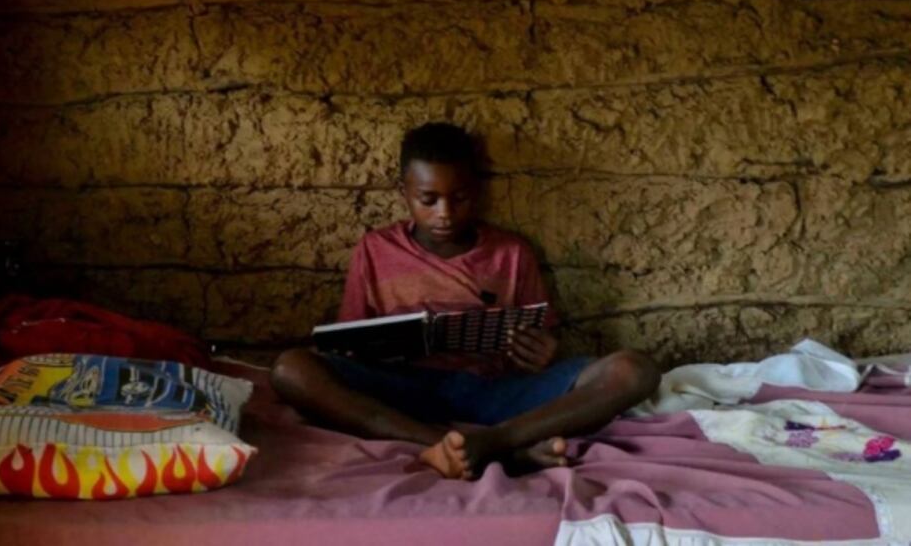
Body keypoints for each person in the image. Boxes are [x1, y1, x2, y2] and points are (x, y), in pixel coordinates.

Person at [270, 122, 660, 479]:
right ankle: (464, 448)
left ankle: (493, 442)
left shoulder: (510, 253)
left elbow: (541, 345)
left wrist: (541, 352)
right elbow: (349, 343)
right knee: (291, 369)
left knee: (634, 370)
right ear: (403, 192)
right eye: (428, 199)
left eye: (459, 198)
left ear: (478, 191)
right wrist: (371, 351)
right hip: (404, 393)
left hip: (493, 391)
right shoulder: (375, 249)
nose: (445, 213)